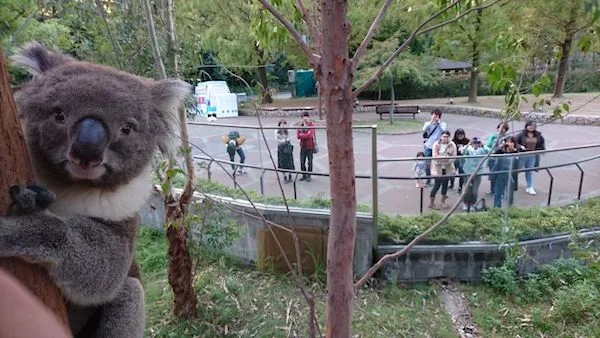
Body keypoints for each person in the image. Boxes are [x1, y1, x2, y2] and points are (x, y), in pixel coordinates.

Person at [516, 120, 546, 195]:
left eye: (533, 125)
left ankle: (530, 187)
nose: (531, 127)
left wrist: (541, 150)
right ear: (526, 126)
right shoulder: (521, 134)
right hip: (522, 155)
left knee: (529, 171)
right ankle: (512, 184)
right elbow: (515, 143)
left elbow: (541, 144)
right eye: (530, 125)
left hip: (532, 155)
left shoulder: (538, 135)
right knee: (517, 170)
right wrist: (520, 147)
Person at [429, 130, 457, 210]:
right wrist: (443, 159)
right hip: (438, 168)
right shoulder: (436, 144)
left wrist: (446, 160)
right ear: (441, 137)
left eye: (447, 137)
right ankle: (431, 203)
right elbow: (435, 156)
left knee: (445, 185)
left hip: (447, 168)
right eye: (444, 136)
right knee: (436, 185)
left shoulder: (452, 144)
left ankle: (442, 202)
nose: (445, 138)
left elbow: (454, 156)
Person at [492, 136, 521, 208]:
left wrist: (514, 150)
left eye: (511, 142)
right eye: (508, 142)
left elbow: (518, 162)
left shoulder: (516, 151)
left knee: (510, 192)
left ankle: (509, 207)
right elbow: (493, 156)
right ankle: (497, 207)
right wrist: (500, 148)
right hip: (500, 174)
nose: (509, 144)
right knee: (498, 192)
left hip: (511, 175)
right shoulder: (501, 151)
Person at [461, 137, 489, 211]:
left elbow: (489, 152)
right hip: (468, 171)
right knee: (467, 189)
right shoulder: (469, 150)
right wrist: (467, 145)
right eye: (474, 143)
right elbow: (462, 152)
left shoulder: (481, 150)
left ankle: (472, 204)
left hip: (478, 172)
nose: (475, 145)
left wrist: (483, 145)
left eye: (477, 143)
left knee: (474, 190)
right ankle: (466, 203)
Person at [422, 109, 447, 186]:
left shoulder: (443, 124)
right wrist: (431, 122)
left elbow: (443, 130)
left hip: (438, 146)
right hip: (429, 146)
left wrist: (438, 123)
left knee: (439, 163)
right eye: (433, 115)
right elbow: (424, 129)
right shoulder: (428, 123)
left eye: (436, 115)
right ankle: (428, 179)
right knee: (427, 163)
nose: (434, 117)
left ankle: (439, 179)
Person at [484, 122, 510, 195]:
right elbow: (487, 146)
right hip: (493, 158)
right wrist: (491, 152)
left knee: (501, 175)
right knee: (493, 174)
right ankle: (492, 190)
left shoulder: (507, 138)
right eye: (500, 128)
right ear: (498, 128)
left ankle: (501, 191)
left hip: (503, 159)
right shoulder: (493, 137)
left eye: (504, 128)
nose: (502, 130)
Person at [297, 112, 315, 182]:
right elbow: (298, 136)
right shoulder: (300, 126)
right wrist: (305, 134)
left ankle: (309, 175)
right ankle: (304, 174)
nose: (304, 119)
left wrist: (303, 135)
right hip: (302, 146)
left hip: (310, 146)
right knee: (302, 162)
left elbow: (310, 136)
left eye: (306, 117)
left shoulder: (311, 125)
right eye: (303, 117)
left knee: (310, 161)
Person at [450, 128, 470, 193]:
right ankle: (452, 183)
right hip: (455, 158)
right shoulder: (453, 141)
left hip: (463, 159)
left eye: (462, 134)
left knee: (461, 173)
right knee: (452, 172)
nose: (460, 136)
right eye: (459, 135)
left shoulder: (467, 141)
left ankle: (460, 186)